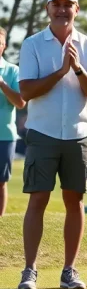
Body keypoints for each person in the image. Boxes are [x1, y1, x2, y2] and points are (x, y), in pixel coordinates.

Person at [17, 0, 87, 289]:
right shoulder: (32, 44)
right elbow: (26, 91)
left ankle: (69, 270)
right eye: (57, 4)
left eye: (68, 5)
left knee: (75, 200)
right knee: (38, 199)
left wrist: (77, 69)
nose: (62, 10)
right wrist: (60, 72)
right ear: (47, 9)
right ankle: (30, 270)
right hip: (43, 132)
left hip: (79, 134)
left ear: (76, 10)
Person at [0, 27, 26, 217]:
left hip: (5, 136)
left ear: (4, 46)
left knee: (1, 182)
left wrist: (2, 84)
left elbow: (20, 102)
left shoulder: (12, 70)